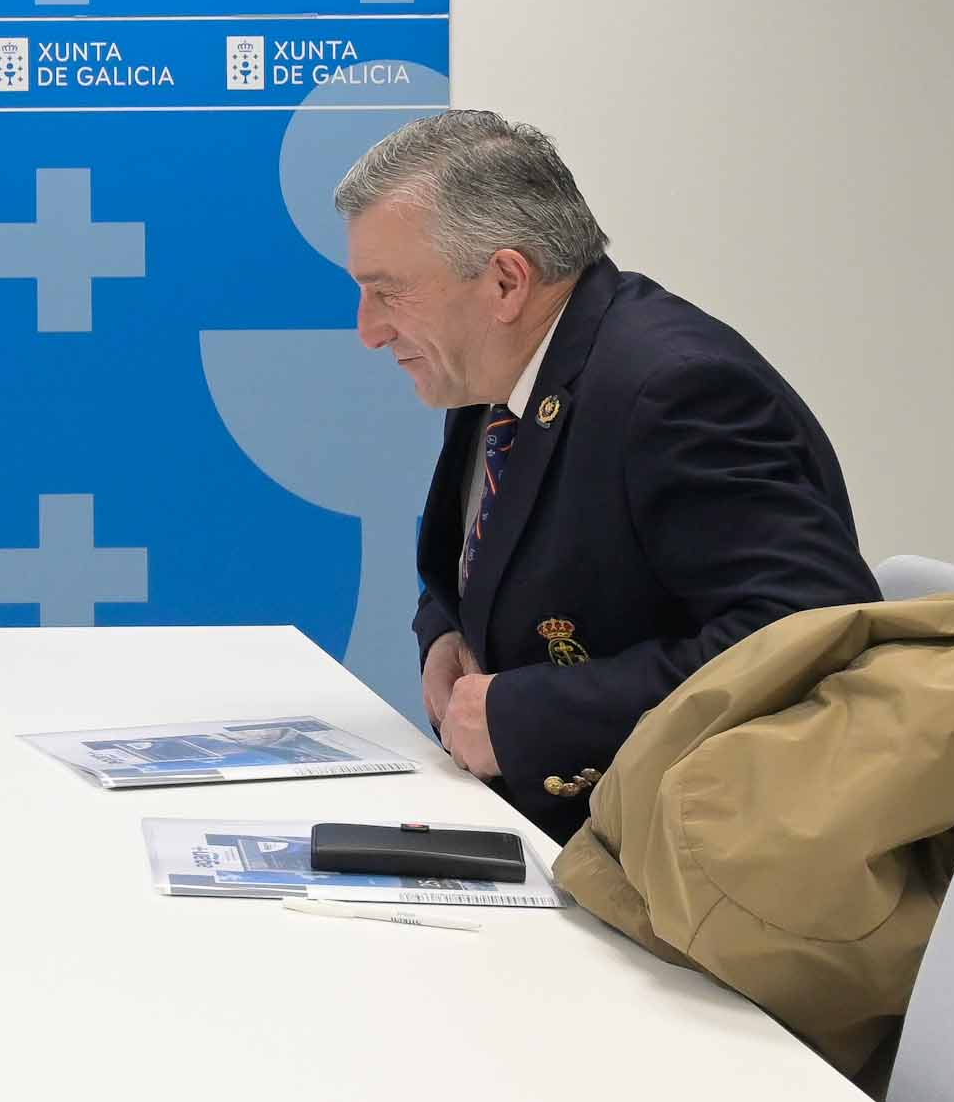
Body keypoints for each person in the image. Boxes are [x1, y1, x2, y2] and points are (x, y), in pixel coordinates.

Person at [336, 110, 876, 837]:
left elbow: (812, 631)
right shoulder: (497, 368)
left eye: (389, 291)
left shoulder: (675, 390)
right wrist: (443, 633)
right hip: (552, 820)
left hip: (671, 851)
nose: (369, 331)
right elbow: (497, 547)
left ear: (505, 282)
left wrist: (531, 717)